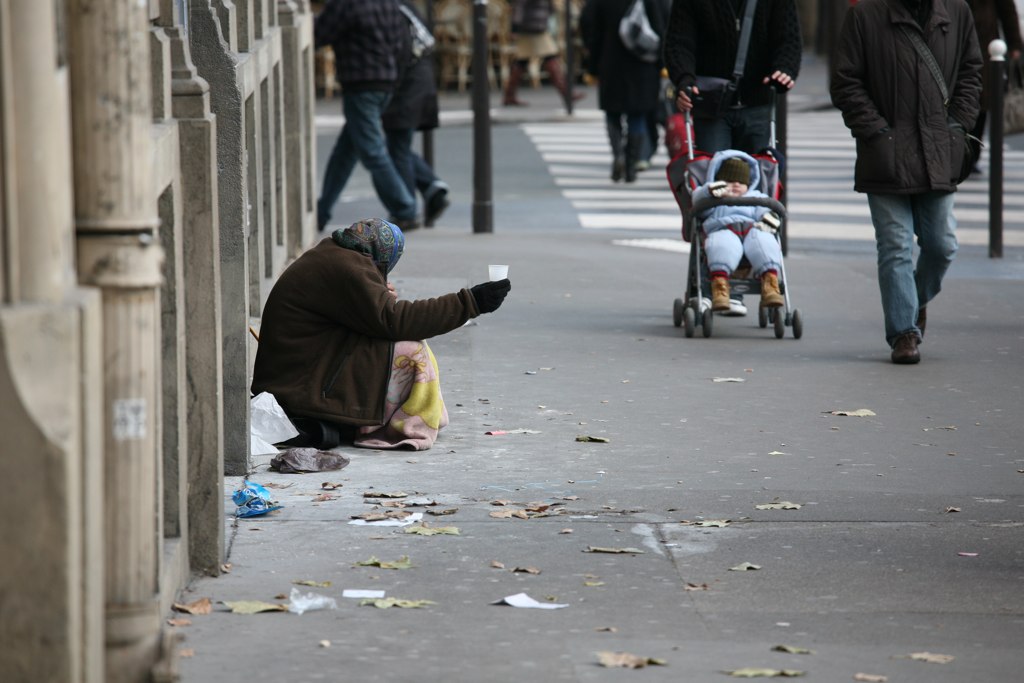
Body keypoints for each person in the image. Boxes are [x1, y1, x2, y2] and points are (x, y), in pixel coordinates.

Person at [251, 218, 512, 450]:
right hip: (298, 385)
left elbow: (370, 317)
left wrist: (377, 294)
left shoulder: (334, 254)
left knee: (399, 347)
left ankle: (369, 420)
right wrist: (469, 302)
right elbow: (395, 321)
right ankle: (404, 426)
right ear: (383, 257)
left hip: (297, 375)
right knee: (411, 351)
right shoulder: (347, 268)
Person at [830, 0, 982, 364]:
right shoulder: (864, 15)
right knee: (895, 244)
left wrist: (957, 127)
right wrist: (878, 133)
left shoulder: (956, 12)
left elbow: (971, 72)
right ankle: (904, 332)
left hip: (937, 150)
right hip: (886, 153)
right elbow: (845, 82)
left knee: (942, 244)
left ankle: (911, 301)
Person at [314, 0, 419, 233]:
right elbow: (403, 43)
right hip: (387, 83)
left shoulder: (348, 4)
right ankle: (321, 211)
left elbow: (319, 34)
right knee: (346, 152)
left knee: (371, 152)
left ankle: (405, 208)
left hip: (361, 84)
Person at [663, 0, 802, 155]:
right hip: (711, 102)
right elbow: (678, 42)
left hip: (757, 99)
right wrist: (684, 77)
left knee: (755, 172)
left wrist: (784, 69)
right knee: (714, 171)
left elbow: (788, 39)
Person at [580, 0, 669, 183]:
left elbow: (591, 31)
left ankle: (618, 154)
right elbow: (661, 28)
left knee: (612, 114)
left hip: (610, 63)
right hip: (643, 65)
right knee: (637, 116)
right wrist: (663, 63)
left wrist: (592, 68)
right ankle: (631, 163)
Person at [383, 1, 450, 226]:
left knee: (398, 147)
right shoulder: (404, 7)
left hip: (407, 86)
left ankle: (407, 210)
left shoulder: (391, 11)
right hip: (419, 81)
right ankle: (431, 186)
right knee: (397, 145)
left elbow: (398, 54)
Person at [691, 152, 784, 311]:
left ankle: (770, 283)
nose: (734, 184)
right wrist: (709, 192)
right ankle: (720, 287)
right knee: (722, 245)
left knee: (765, 241)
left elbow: (765, 209)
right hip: (724, 229)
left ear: (749, 183)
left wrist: (769, 217)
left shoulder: (756, 197)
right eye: (728, 181)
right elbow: (697, 203)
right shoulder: (715, 200)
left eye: (740, 182)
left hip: (753, 230)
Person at [966, 0, 1022, 173]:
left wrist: (1014, 44)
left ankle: (971, 155)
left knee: (980, 104)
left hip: (985, 44)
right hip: (959, 37)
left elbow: (1007, 9)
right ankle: (964, 154)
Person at [503, 0, 586, 110]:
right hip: (532, 28)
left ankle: (509, 95)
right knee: (549, 58)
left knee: (523, 61)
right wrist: (515, 27)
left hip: (533, 26)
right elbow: (520, 7)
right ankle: (566, 93)